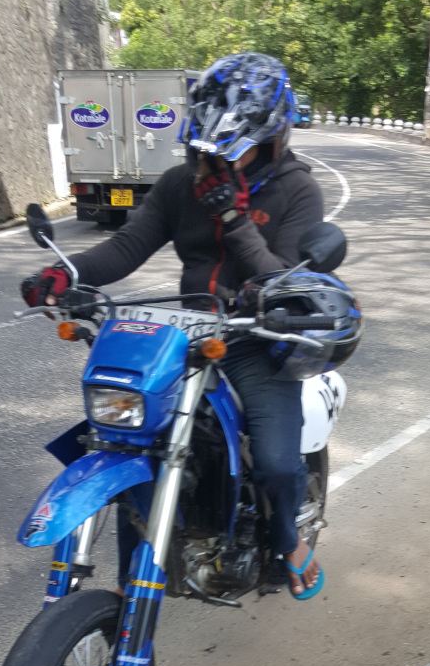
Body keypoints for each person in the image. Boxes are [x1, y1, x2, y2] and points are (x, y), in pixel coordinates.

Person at [23, 52, 325, 598]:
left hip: (255, 338)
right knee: (128, 437)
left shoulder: (297, 190)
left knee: (277, 462)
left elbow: (283, 278)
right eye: (206, 150)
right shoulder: (180, 184)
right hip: (182, 333)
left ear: (272, 141)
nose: (214, 162)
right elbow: (127, 246)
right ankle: (130, 593)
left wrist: (233, 219)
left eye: (231, 150)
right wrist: (66, 274)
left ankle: (287, 541)